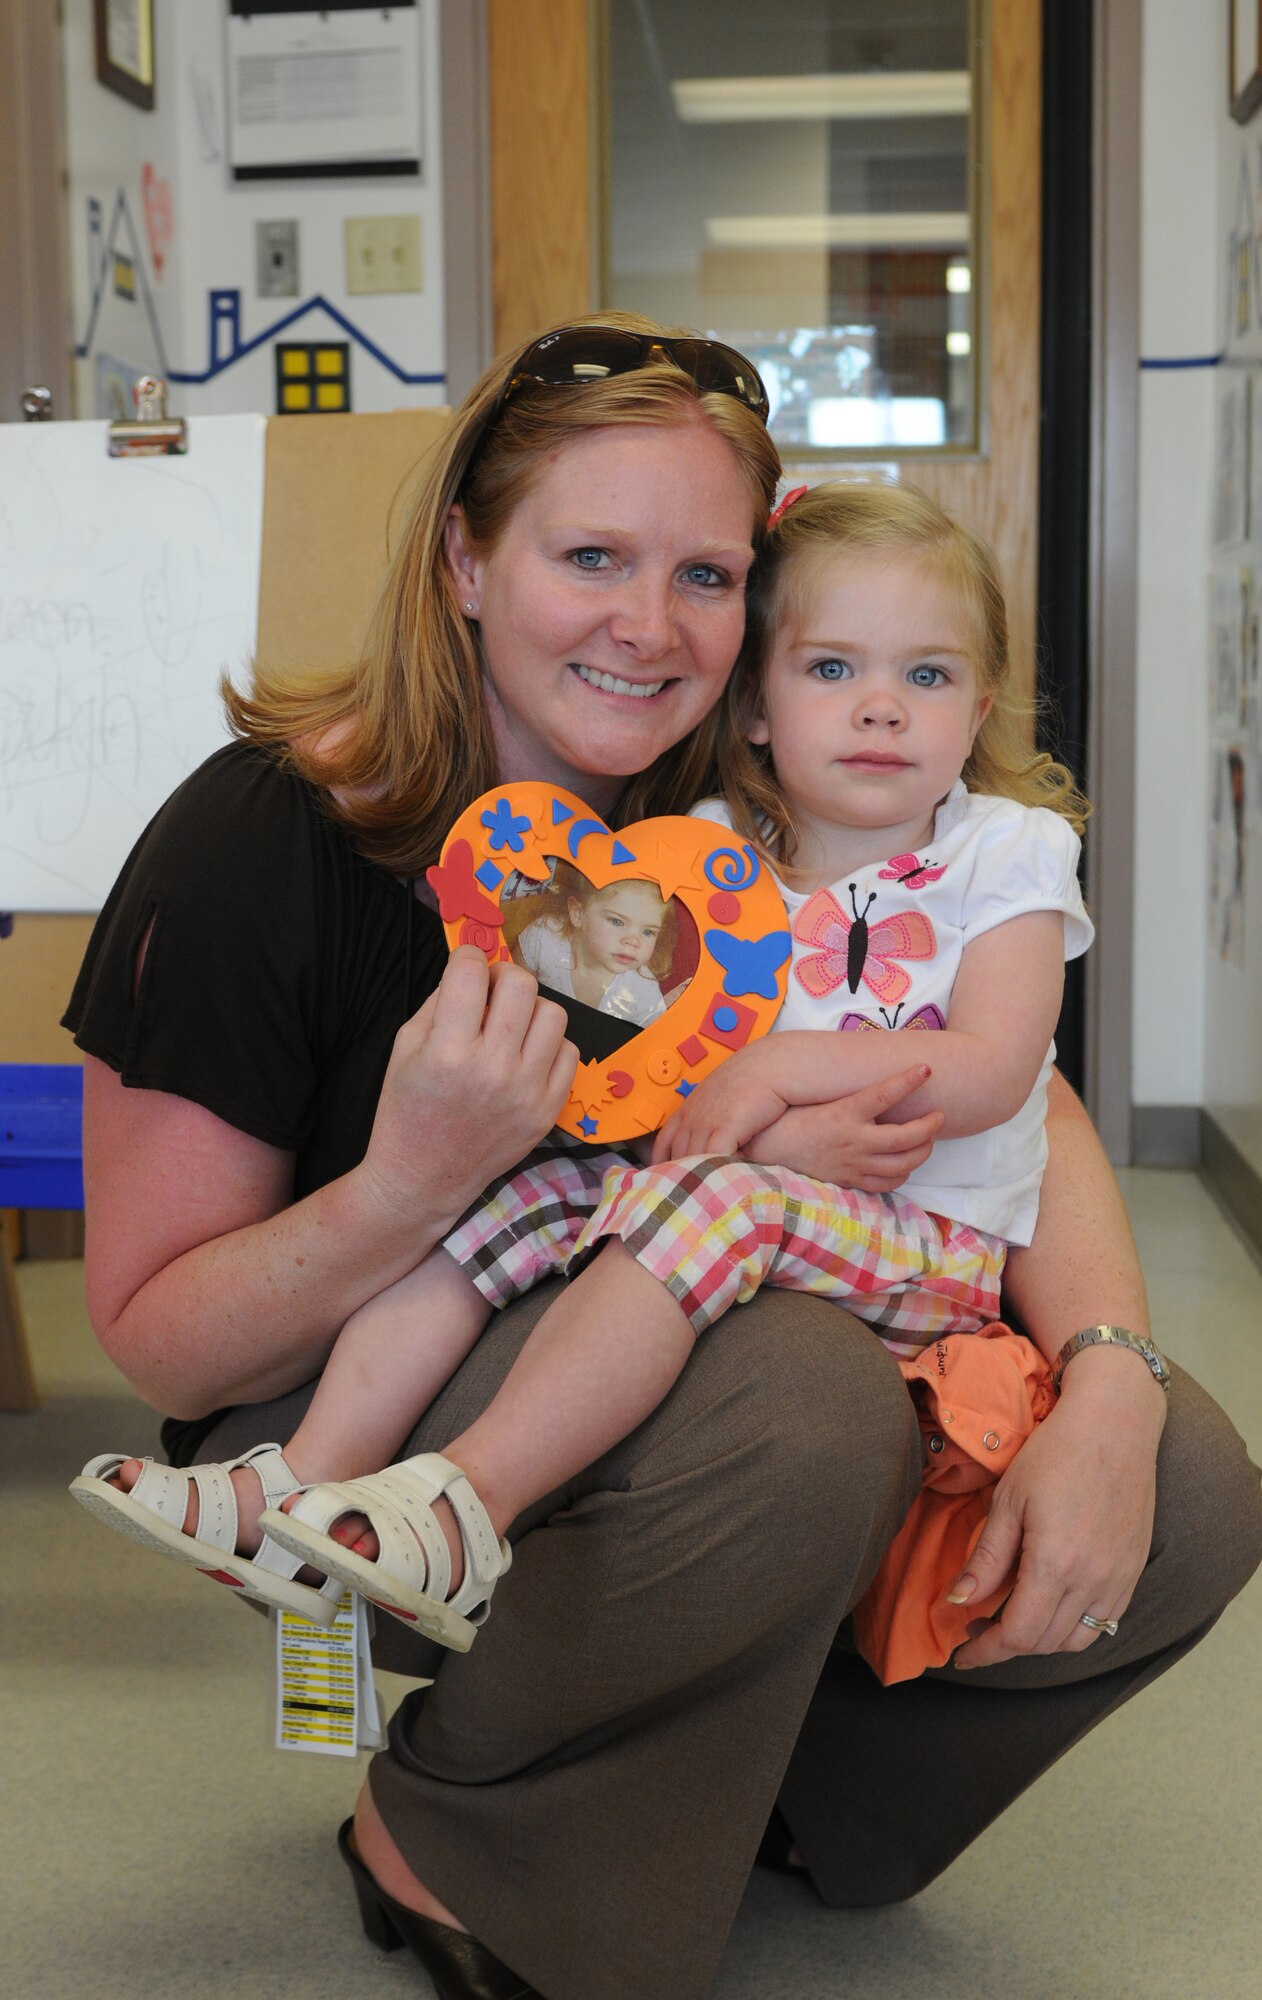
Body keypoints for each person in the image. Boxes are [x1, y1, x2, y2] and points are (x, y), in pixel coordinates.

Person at [61, 315, 1261, 2000]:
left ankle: (752, 1791)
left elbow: (1019, 1095)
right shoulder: (264, 840)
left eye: (704, 574)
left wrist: (1113, 1385)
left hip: (699, 1349)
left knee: (1189, 1493)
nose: (647, 624)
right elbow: (156, 1336)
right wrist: (409, 1176)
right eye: (590, 556)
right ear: (467, 560)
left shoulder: (751, 812)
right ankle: (452, 1826)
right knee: (801, 1395)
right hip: (348, 1434)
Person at [73, 478, 1095, 1655]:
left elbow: (995, 1070)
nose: (879, 709)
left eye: (925, 676)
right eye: (830, 671)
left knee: (718, 1201)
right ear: (755, 706)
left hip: (927, 1242)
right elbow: (645, 1072)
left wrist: (766, 1086)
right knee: (509, 1203)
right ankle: (297, 1478)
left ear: (977, 709)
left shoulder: (1006, 852)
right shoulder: (706, 848)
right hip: (721, 1189)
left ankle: (464, 1505)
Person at [512, 865, 674, 1023]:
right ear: (578, 913)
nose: (633, 942)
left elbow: (647, 1045)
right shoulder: (544, 936)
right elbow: (512, 990)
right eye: (617, 921)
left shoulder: (644, 990)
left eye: (648, 932)